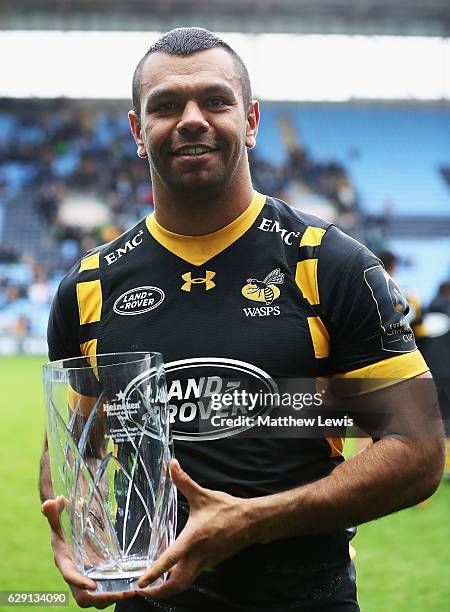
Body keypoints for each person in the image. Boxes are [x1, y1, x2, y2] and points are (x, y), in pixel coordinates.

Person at [40, 27, 445, 611]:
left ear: (251, 120)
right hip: (145, 599)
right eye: (166, 106)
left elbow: (418, 451)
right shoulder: (89, 286)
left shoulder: (329, 263)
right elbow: (73, 448)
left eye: (215, 100)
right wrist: (77, 532)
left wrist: (253, 520)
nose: (192, 119)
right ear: (137, 131)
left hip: (305, 599)